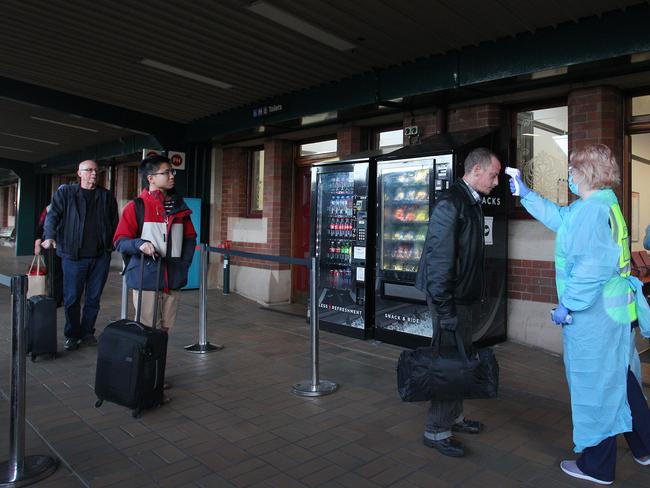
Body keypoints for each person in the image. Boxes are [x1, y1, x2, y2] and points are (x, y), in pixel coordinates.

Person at [510, 144, 650, 484]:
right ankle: (644, 444)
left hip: (594, 316)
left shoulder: (591, 211)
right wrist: (527, 195)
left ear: (586, 174)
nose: (569, 176)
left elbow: (589, 270)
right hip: (612, 314)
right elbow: (561, 218)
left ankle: (596, 465)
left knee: (595, 386)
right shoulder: (602, 204)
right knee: (620, 376)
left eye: (572, 170)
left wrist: (566, 306)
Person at [415, 147, 501, 457]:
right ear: (476, 170)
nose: (496, 182)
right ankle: (437, 431)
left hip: (461, 297)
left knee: (460, 359)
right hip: (449, 300)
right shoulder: (452, 203)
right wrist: (445, 308)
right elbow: (439, 262)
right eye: (493, 175)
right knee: (449, 363)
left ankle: (455, 417)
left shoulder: (469, 201)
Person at [113, 154, 196, 336]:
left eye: (172, 172)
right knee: (147, 330)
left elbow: (190, 238)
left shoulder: (180, 208)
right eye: (166, 172)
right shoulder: (136, 207)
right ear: (150, 178)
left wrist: (184, 264)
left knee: (165, 330)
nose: (172, 176)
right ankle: (146, 365)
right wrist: (139, 244)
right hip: (146, 277)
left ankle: (158, 364)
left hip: (173, 277)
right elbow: (120, 241)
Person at [42, 161, 118, 351]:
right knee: (72, 298)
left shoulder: (106, 196)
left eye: (96, 170)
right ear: (79, 173)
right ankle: (72, 334)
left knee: (93, 298)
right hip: (73, 256)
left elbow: (114, 221)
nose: (94, 173)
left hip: (100, 256)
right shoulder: (66, 193)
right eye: (89, 170)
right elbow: (52, 216)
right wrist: (49, 236)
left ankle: (87, 333)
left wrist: (113, 244)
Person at [34, 187, 66, 306]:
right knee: (54, 273)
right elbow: (41, 226)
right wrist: (37, 243)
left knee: (62, 272)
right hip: (51, 245)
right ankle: (56, 298)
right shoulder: (49, 208)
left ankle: (60, 297)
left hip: (66, 245)